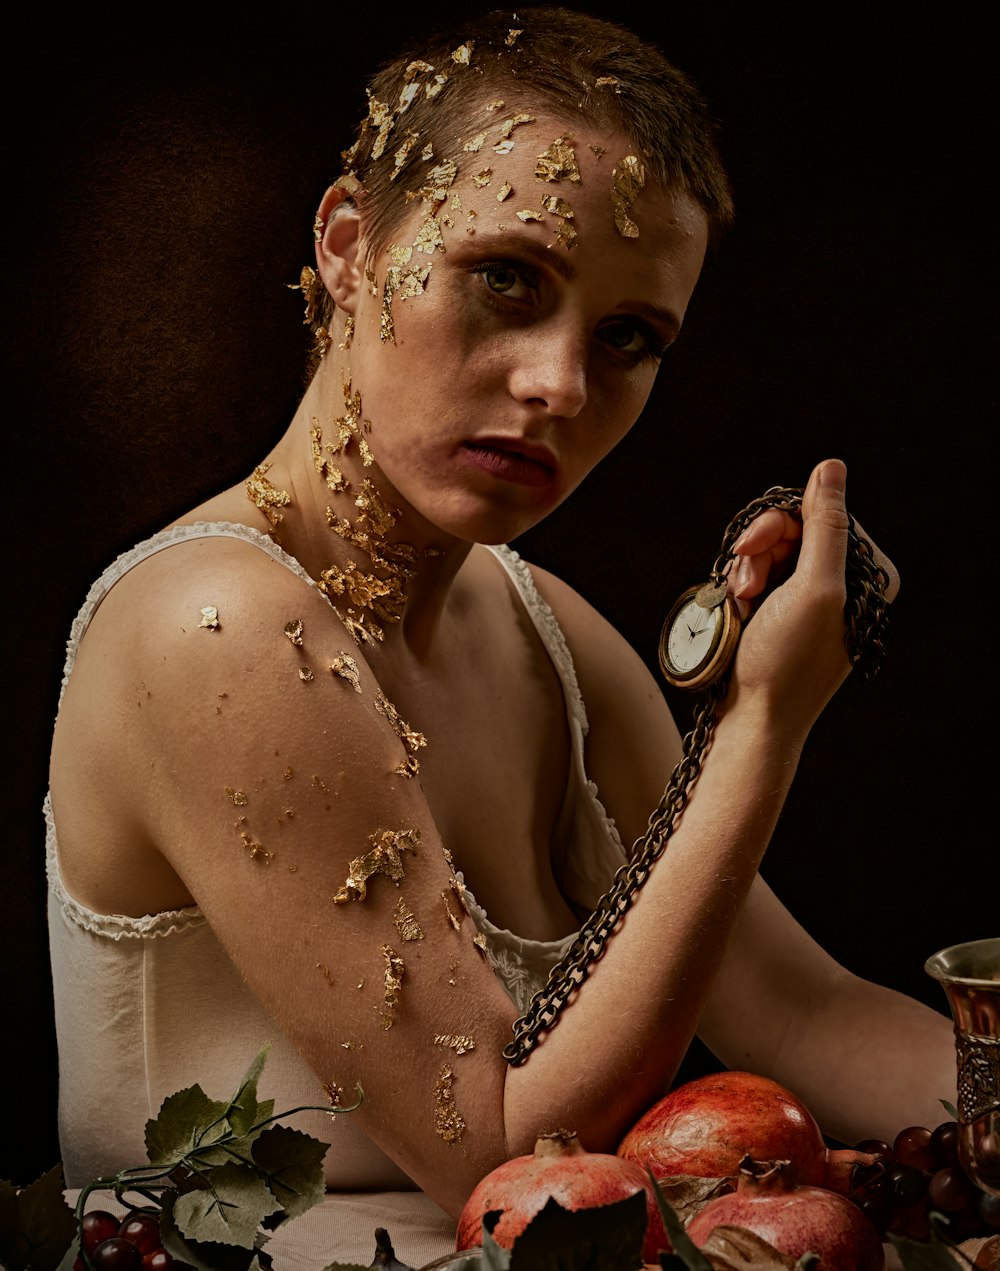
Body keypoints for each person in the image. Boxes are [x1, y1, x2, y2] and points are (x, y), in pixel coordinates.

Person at [46, 8, 956, 1265]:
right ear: (351, 244)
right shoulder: (216, 630)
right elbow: (499, 1151)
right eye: (505, 278)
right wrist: (759, 722)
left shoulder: (548, 639)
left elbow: (804, 1010)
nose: (560, 385)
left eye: (628, 337)